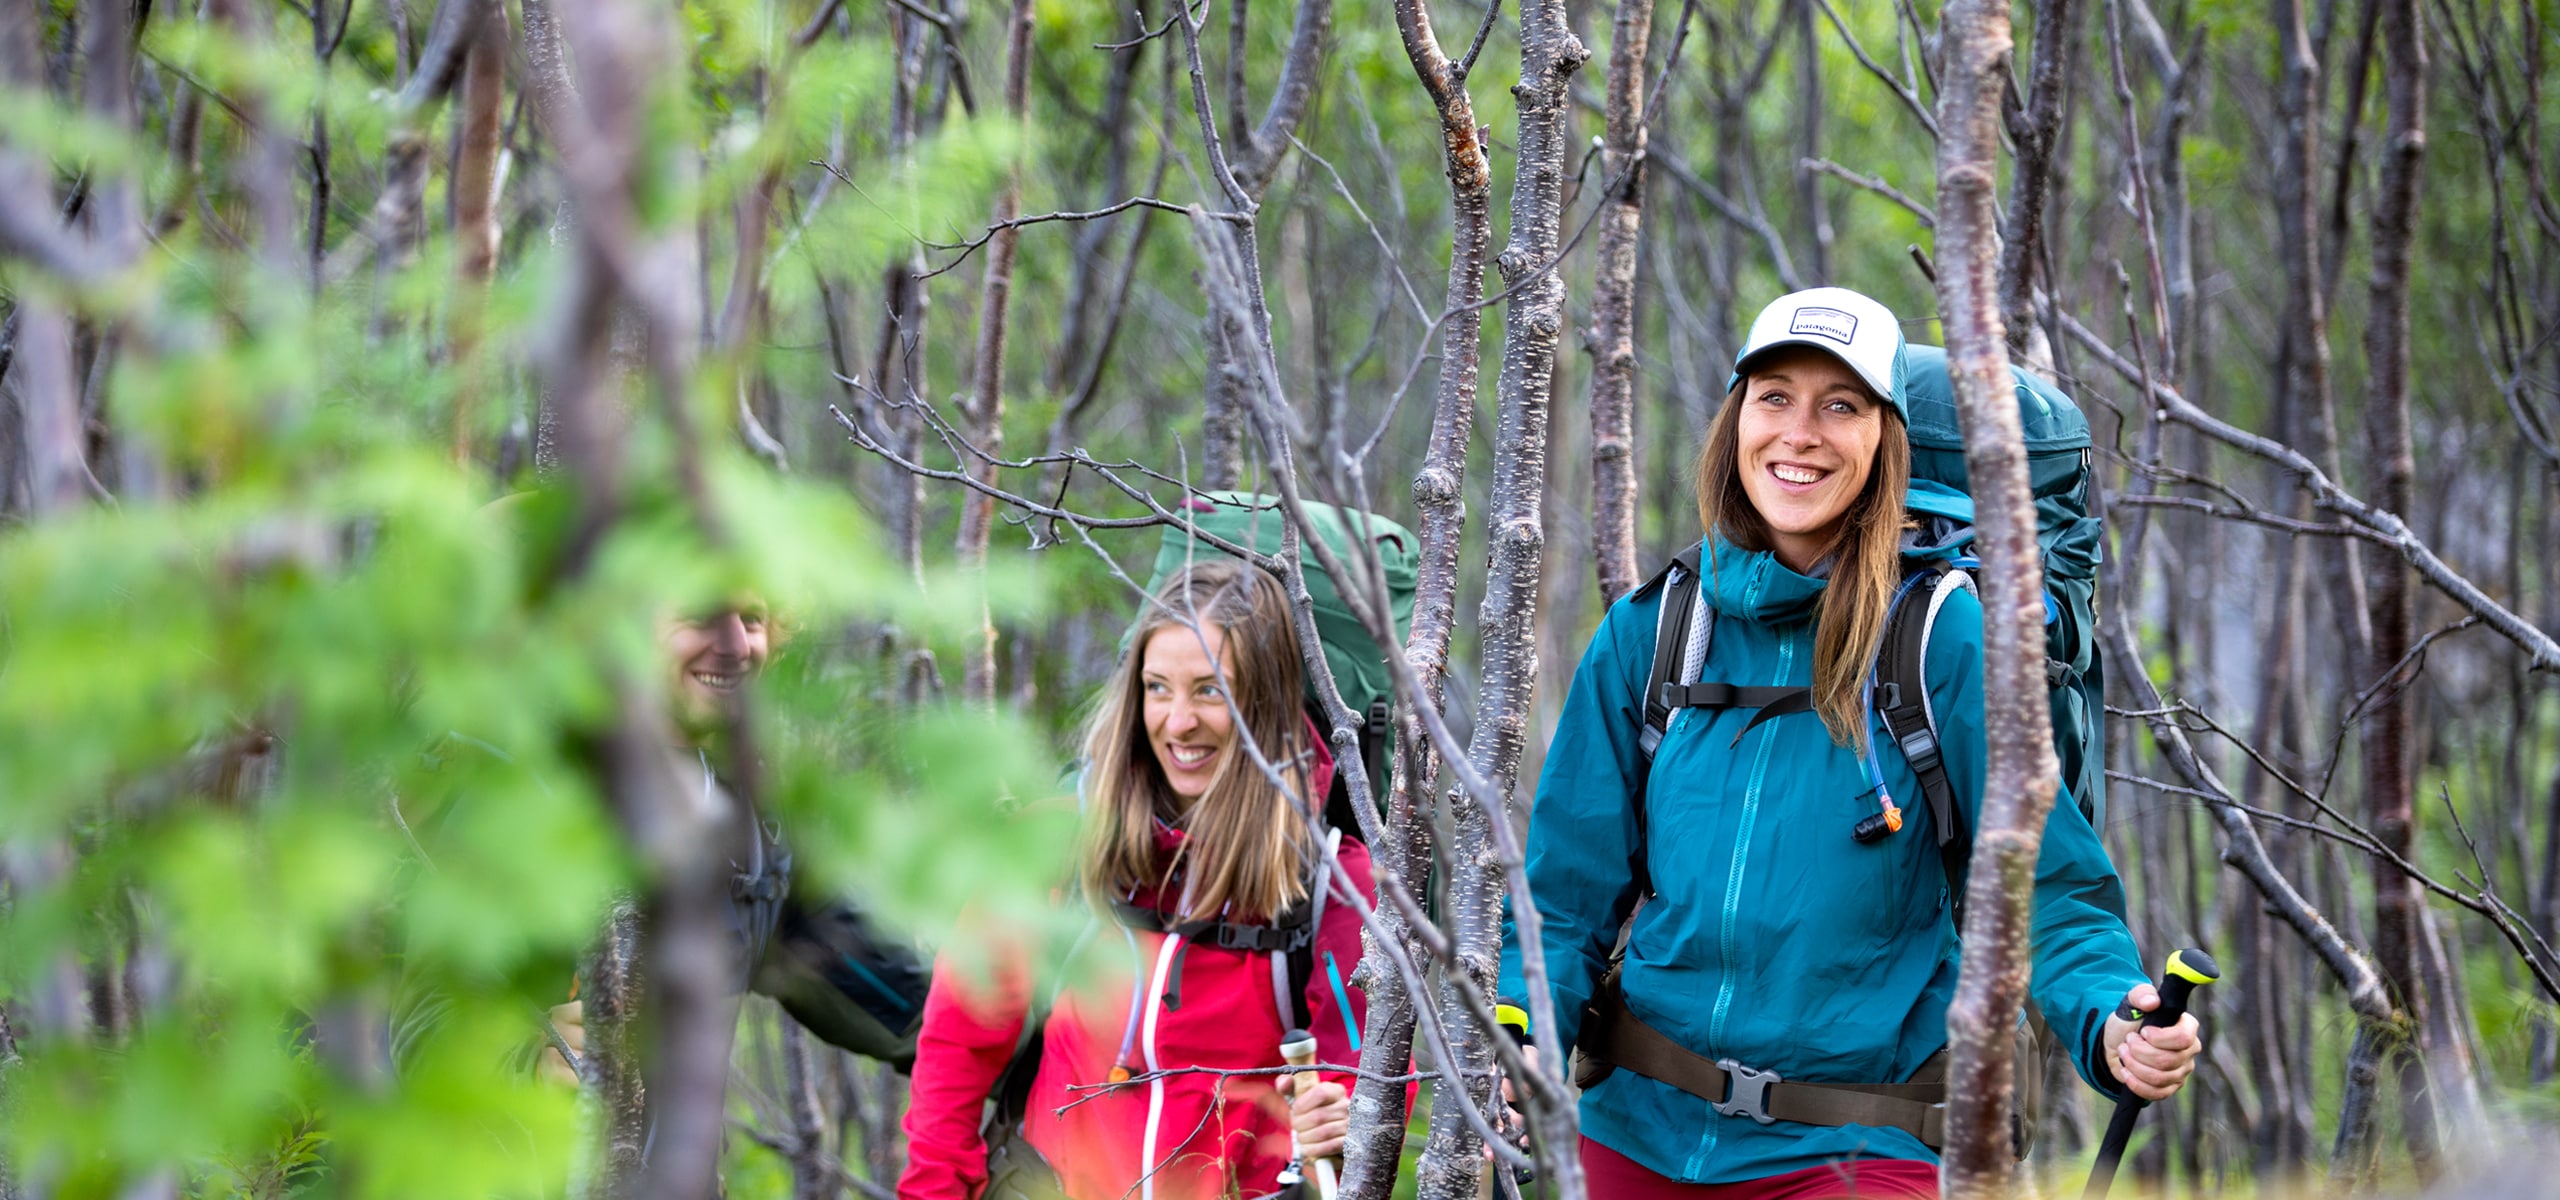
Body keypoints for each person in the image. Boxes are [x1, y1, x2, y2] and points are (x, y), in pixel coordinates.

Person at [1498, 287, 2202, 1198]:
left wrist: (2110, 1020)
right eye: (1774, 397)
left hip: (1861, 1146)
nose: (1800, 434)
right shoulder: (1658, 628)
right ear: (1735, 420)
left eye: (1842, 406)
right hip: (1642, 1132)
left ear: (1885, 445)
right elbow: (1562, 895)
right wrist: (1521, 1032)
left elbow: (2046, 887)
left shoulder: (1941, 636)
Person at [898, 559, 1377, 1200]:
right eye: (1158, 688)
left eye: (1211, 691)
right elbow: (959, 1037)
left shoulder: (1333, 884)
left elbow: (1362, 1077)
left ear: (1265, 702)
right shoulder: (1061, 840)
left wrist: (1342, 1116)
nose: (1178, 722)